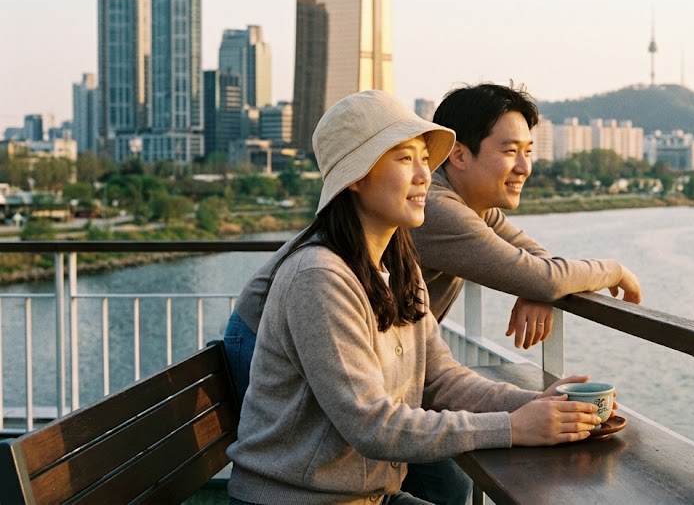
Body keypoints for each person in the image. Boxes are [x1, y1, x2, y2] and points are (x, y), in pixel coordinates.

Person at [222, 82, 641, 504]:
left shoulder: (399, 265)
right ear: (355, 177)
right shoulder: (321, 276)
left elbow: (440, 379)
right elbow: (371, 425)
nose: (426, 175)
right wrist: (515, 426)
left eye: (425, 159)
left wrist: (539, 405)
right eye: (406, 159)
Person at [411, 83, 642, 348]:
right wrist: (614, 270)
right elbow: (546, 277)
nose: (523, 167)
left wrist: (534, 287)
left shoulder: (476, 208)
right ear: (460, 155)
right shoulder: (434, 207)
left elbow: (537, 265)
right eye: (510, 151)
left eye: (528, 152)